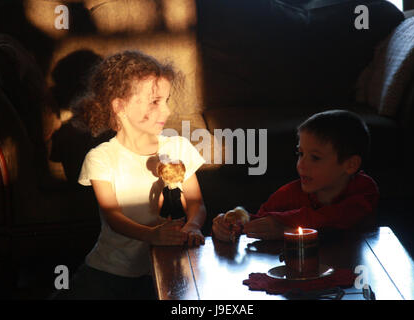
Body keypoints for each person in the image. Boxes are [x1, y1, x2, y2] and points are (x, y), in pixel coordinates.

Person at [52, 50, 206, 299]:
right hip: (111, 272)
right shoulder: (101, 158)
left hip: (165, 266)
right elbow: (113, 216)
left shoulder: (178, 147)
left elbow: (196, 202)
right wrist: (153, 235)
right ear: (119, 106)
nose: (166, 111)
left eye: (166, 100)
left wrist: (193, 226)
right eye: (155, 102)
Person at [212, 109, 379, 242]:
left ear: (350, 165)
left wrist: (284, 229)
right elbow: (262, 220)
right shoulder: (291, 192)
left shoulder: (364, 190)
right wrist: (230, 224)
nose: (301, 164)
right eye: (300, 154)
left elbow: (333, 219)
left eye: (315, 157)